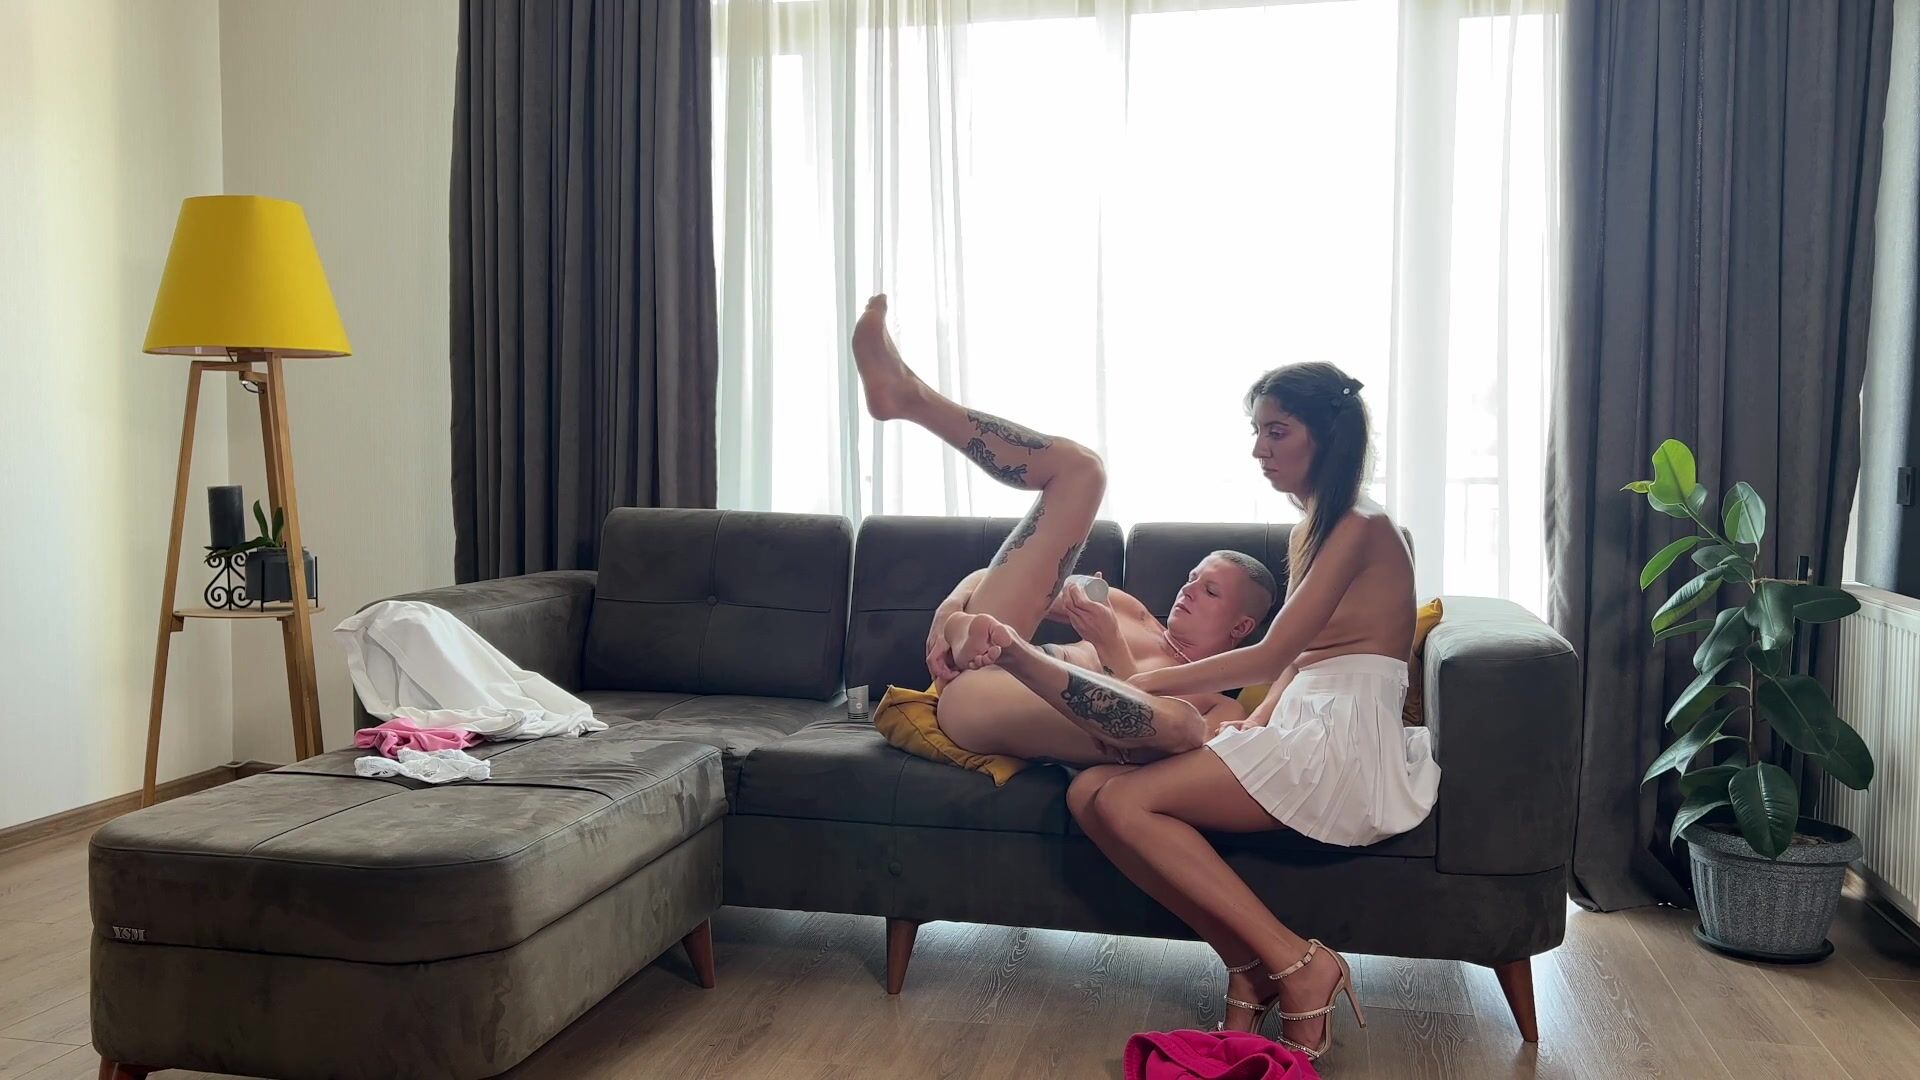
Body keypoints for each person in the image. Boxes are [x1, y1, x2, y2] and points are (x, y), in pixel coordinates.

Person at [964, 361, 1438, 1063]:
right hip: (1305, 718)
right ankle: (1248, 965)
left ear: (1327, 436)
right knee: (1089, 792)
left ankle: (1298, 961)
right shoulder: (1317, 527)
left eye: (1277, 432)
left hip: (1344, 740)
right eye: (1257, 432)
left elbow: (1269, 654)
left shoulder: (1361, 526)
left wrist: (1144, 688)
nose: (1259, 450)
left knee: (1124, 801)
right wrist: (1261, 718)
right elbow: (1302, 658)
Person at [850, 294, 1277, 766]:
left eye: (1210, 591)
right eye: (1193, 579)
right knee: (1083, 469)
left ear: (1241, 626)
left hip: (996, 708)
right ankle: (908, 397)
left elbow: (1175, 761)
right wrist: (949, 610)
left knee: (1184, 727)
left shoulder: (1221, 707)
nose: (1189, 590)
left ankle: (1004, 647)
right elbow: (995, 580)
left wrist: (1109, 645)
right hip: (984, 674)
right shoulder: (1127, 609)